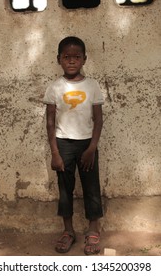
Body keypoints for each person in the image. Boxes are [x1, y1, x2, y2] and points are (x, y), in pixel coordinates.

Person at [44, 36, 104, 255]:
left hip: (87, 144)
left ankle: (93, 230)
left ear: (84, 59)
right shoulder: (54, 87)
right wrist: (55, 153)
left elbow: (98, 119)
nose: (71, 61)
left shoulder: (92, 86)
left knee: (91, 188)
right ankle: (68, 231)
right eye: (66, 57)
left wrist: (91, 148)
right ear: (58, 59)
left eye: (76, 57)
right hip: (63, 145)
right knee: (65, 190)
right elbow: (50, 122)